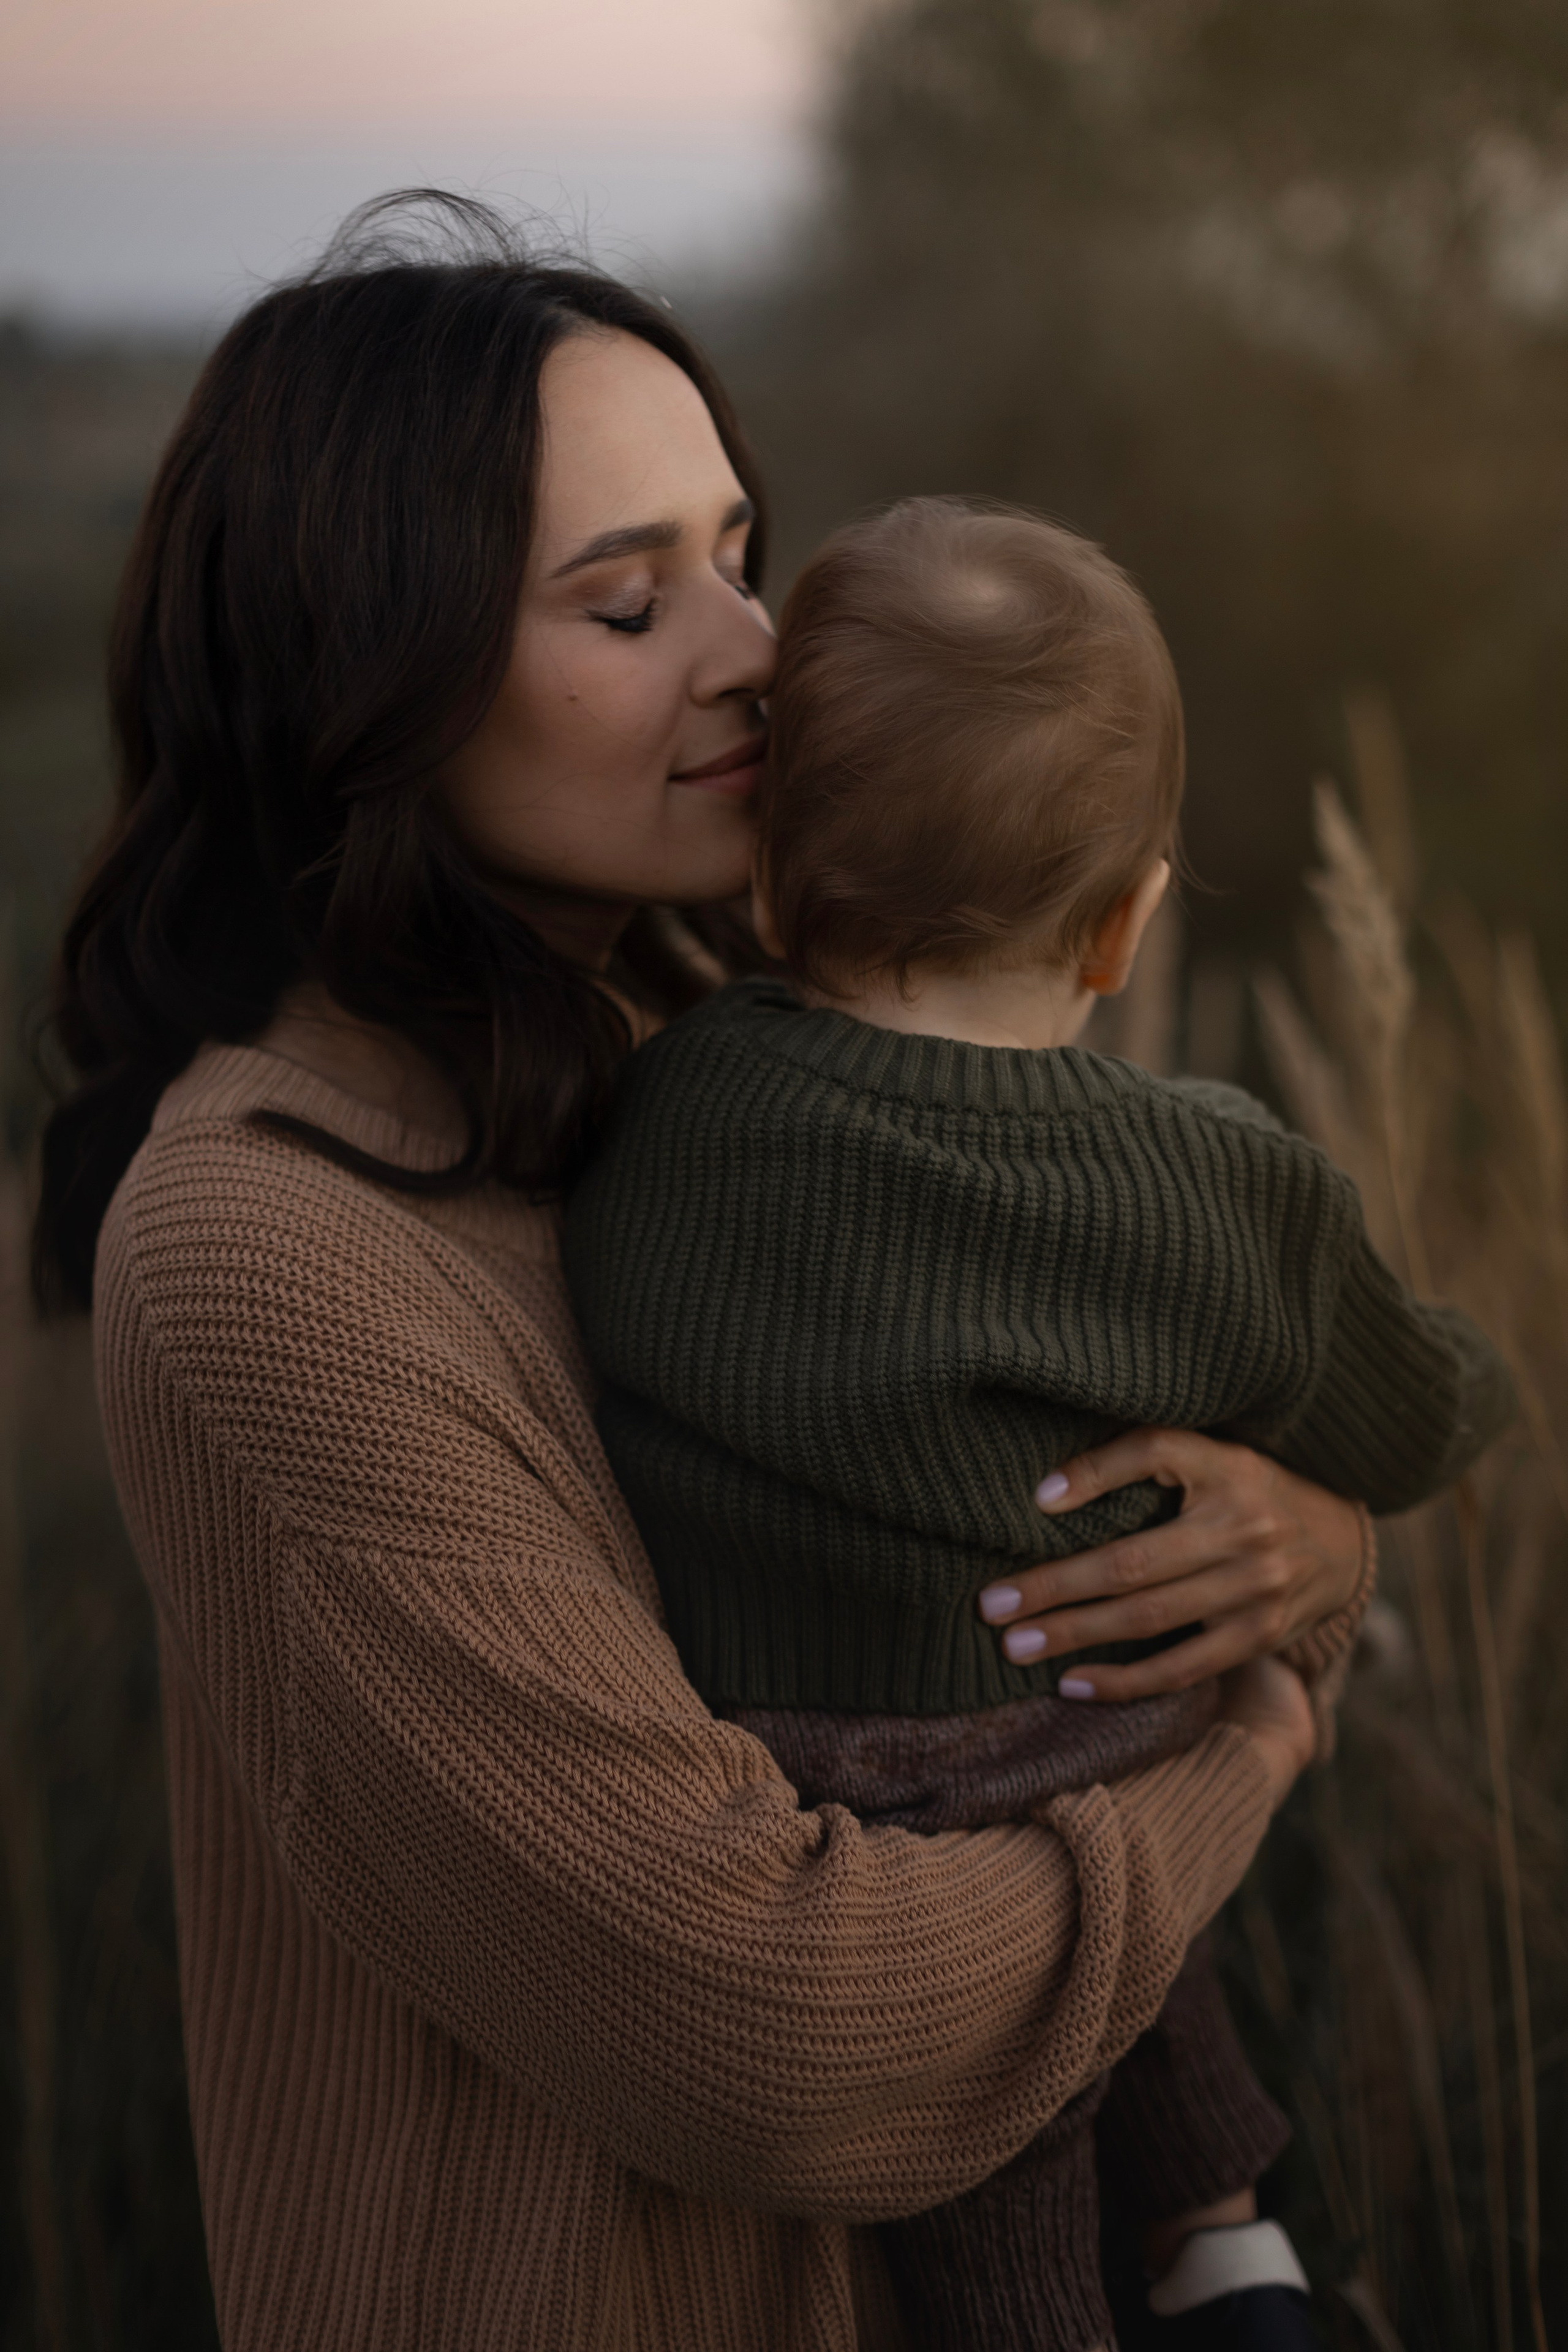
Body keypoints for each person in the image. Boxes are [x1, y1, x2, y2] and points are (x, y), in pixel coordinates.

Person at [33, 195, 1367, 2352]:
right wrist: (1244, 1744)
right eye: (626, 600)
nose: (756, 651)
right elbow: (790, 2021)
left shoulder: (714, 1074)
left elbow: (1093, 1508)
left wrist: (1305, 1543)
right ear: (371, 676)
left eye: (738, 551)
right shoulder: (259, 1253)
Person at [565, 497, 1515, 2351]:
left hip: (775, 1771)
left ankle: (1213, 2238)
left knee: (1081, 1923)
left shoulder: (658, 1112)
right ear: (1118, 926)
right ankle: (1223, 2243)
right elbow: (1405, 1416)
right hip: (1048, 1785)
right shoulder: (1216, 1188)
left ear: (768, 881)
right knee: (1089, 1938)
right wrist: (1478, 1378)